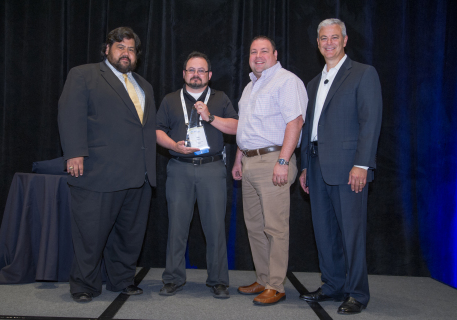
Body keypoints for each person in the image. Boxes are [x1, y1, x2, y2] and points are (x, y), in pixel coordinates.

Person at [58, 27, 156, 302]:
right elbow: (69, 114)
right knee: (90, 234)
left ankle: (122, 280)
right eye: (120, 47)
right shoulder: (84, 75)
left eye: (131, 49)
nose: (126, 53)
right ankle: (84, 285)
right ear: (107, 50)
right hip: (98, 171)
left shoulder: (144, 85)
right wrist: (74, 152)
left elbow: (144, 129)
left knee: (129, 235)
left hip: (139, 174)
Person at [299, 18, 382, 315]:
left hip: (349, 169)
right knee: (324, 233)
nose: (329, 42)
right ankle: (333, 285)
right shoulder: (312, 82)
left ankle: (357, 293)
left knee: (351, 234)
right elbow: (309, 129)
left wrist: (362, 164)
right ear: (318, 43)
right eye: (324, 38)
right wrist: (305, 167)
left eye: (335, 37)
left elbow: (369, 122)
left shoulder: (363, 73)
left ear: (345, 40)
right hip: (317, 166)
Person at [232, 36, 307, 306]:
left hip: (274, 160)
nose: (258, 55)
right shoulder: (250, 87)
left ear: (275, 54)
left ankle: (276, 285)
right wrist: (239, 158)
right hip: (250, 161)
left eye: (264, 51)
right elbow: (246, 128)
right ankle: (263, 278)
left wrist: (284, 162)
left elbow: (295, 122)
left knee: (275, 227)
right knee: (254, 227)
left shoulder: (287, 81)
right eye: (253, 51)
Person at [156, 51, 238, 299]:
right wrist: (173, 145)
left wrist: (210, 117)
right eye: (191, 70)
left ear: (209, 75)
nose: (196, 74)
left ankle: (218, 280)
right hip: (179, 167)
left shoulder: (220, 98)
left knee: (214, 227)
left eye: (201, 70)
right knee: (177, 227)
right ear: (184, 74)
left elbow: (236, 126)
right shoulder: (170, 100)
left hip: (212, 168)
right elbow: (156, 130)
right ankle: (173, 278)